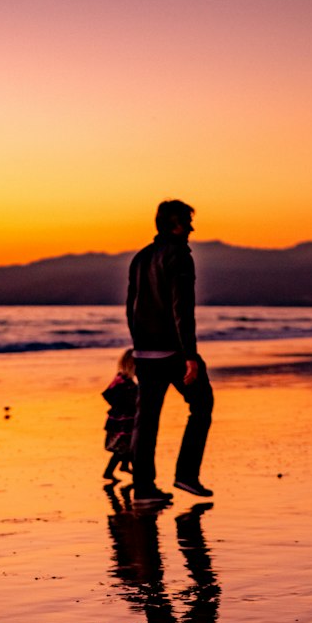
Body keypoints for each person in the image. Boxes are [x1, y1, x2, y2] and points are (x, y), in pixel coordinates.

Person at [126, 198, 213, 505]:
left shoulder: (141, 258)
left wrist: (137, 345)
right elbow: (182, 308)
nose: (191, 227)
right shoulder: (179, 256)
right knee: (202, 404)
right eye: (187, 222)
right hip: (172, 352)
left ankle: (143, 488)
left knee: (146, 419)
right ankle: (186, 475)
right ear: (175, 224)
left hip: (145, 353)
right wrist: (190, 355)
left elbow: (131, 308)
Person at [101, 348, 138, 480]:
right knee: (124, 447)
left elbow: (107, 394)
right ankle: (110, 472)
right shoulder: (126, 384)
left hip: (119, 420)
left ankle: (125, 466)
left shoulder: (120, 379)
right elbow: (109, 395)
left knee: (126, 447)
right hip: (123, 422)